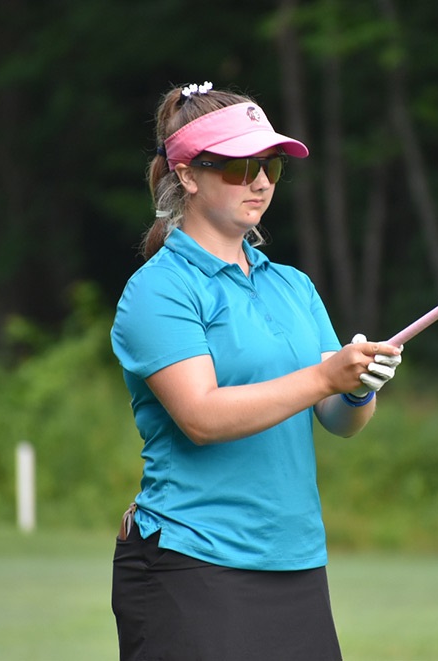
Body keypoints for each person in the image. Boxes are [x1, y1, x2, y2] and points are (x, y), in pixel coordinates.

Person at [109, 81, 403, 661]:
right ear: (189, 175)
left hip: (294, 561)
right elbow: (202, 416)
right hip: (192, 563)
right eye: (240, 166)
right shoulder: (159, 290)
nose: (262, 180)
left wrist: (359, 385)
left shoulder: (293, 286)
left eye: (268, 164)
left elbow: (338, 421)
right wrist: (325, 377)